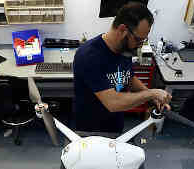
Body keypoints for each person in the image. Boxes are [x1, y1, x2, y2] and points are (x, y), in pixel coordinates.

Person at [73, 2, 172, 134]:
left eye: (143, 41)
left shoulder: (124, 48)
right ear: (123, 30)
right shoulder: (89, 56)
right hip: (91, 130)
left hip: (115, 122)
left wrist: (152, 97)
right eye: (138, 40)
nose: (139, 46)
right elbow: (113, 103)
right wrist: (152, 93)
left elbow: (128, 78)